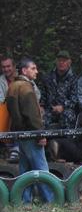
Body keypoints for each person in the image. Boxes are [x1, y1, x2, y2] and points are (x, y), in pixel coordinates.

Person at [6, 57, 54, 203]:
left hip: (21, 134)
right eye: (33, 68)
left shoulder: (13, 86)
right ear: (24, 70)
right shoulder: (26, 87)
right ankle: (51, 200)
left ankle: (24, 200)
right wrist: (40, 134)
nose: (36, 71)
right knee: (42, 169)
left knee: (24, 171)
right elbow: (33, 115)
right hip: (31, 134)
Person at [1, 56, 21, 163]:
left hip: (23, 108)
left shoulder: (22, 76)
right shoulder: (1, 81)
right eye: (3, 67)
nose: (6, 69)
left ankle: (16, 148)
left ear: (14, 66)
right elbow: (1, 99)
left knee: (18, 110)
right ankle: (10, 146)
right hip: (6, 109)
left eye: (8, 66)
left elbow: (36, 94)